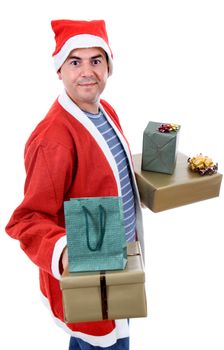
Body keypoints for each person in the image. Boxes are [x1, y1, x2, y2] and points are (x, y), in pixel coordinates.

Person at [5, 19, 144, 350]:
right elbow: (26, 221)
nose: (87, 72)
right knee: (104, 340)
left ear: (109, 66)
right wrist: (66, 251)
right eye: (75, 61)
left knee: (92, 342)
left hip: (118, 264)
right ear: (60, 70)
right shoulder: (52, 139)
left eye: (96, 61)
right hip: (89, 274)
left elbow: (107, 170)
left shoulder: (104, 110)